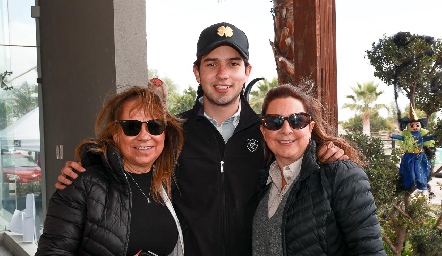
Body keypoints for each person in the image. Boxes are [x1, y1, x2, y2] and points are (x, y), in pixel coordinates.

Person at [56, 22, 347, 256]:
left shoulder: (268, 132)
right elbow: (131, 156)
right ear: (197, 72)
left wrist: (325, 153)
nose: (223, 74)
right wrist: (89, 166)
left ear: (246, 72)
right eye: (211, 64)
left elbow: (298, 156)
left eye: (233, 64)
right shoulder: (172, 131)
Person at [37, 87, 185, 256]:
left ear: (165, 133)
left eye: (155, 126)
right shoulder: (79, 185)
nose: (144, 136)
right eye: (131, 127)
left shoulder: (168, 183)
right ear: (115, 134)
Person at [252, 84, 386, 255]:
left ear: (310, 127)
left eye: (297, 121)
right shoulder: (261, 183)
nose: (286, 130)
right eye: (274, 122)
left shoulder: (340, 176)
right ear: (263, 130)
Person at [389, 104, 436, 190]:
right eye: (412, 126)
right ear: (408, 126)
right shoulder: (407, 136)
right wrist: (393, 136)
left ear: (420, 125)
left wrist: (434, 136)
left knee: (420, 170)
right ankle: (408, 185)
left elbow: (427, 138)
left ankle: (420, 184)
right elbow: (402, 138)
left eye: (417, 125)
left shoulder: (421, 136)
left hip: (419, 156)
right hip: (409, 156)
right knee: (409, 171)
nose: (415, 127)